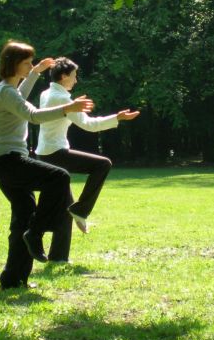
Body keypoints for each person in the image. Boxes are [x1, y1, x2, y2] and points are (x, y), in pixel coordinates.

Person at [0, 41, 94, 289]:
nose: (31, 65)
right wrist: (68, 107)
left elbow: (21, 96)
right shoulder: (5, 92)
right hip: (8, 160)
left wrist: (35, 73)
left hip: (5, 161)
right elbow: (33, 116)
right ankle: (35, 233)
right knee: (58, 177)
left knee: (23, 216)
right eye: (27, 63)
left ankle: (13, 279)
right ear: (14, 64)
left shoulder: (8, 91)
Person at [36, 57, 140, 234]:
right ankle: (81, 210)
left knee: (65, 206)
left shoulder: (47, 93)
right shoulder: (61, 99)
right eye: (74, 76)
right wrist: (118, 118)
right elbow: (89, 125)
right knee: (102, 164)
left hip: (46, 152)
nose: (76, 80)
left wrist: (74, 104)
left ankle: (59, 254)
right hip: (55, 153)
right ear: (63, 76)